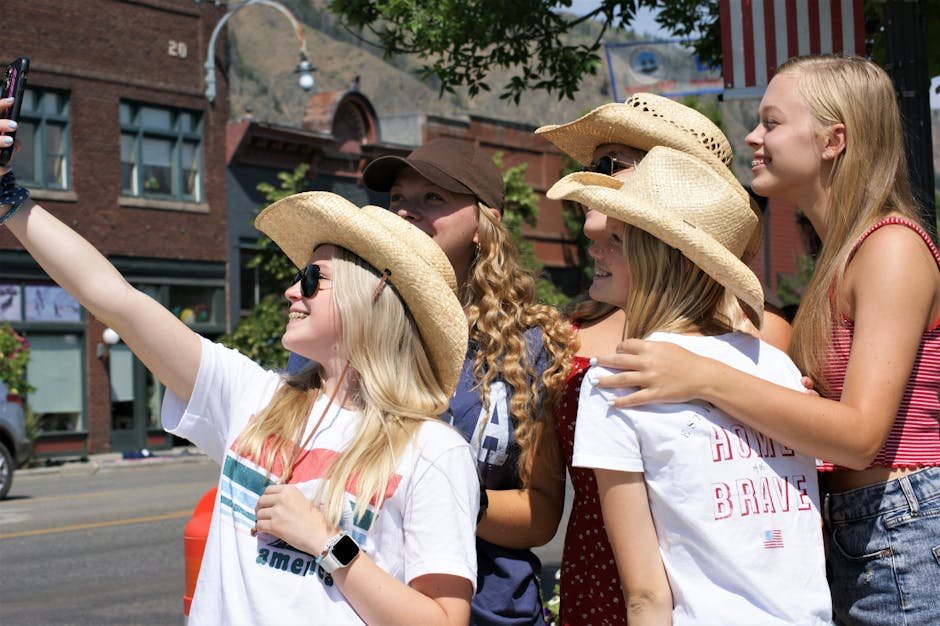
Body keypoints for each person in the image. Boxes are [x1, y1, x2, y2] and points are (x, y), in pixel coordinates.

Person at [0, 122, 480, 624]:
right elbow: (116, 300)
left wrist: (327, 541)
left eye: (313, 278)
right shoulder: (253, 394)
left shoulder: (433, 451)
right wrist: (7, 194)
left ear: (375, 295)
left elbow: (443, 620)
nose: (293, 291)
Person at [593, 54, 940, 625]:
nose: (752, 136)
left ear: (834, 140)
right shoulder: (845, 253)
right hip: (868, 528)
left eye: (772, 122)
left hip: (901, 528)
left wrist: (703, 376)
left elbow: (858, 435)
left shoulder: (890, 247)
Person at [534, 92, 790, 625]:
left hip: (720, 598)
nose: (591, 182)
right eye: (589, 168)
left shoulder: (762, 338)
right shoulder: (567, 331)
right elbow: (544, 498)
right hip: (595, 581)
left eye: (609, 166)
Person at [361, 138, 575, 626]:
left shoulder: (531, 345)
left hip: (494, 610)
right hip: (364, 602)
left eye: (433, 198)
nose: (406, 212)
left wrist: (448, 494)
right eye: (397, 197)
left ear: (485, 223)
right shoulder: (350, 323)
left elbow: (539, 516)